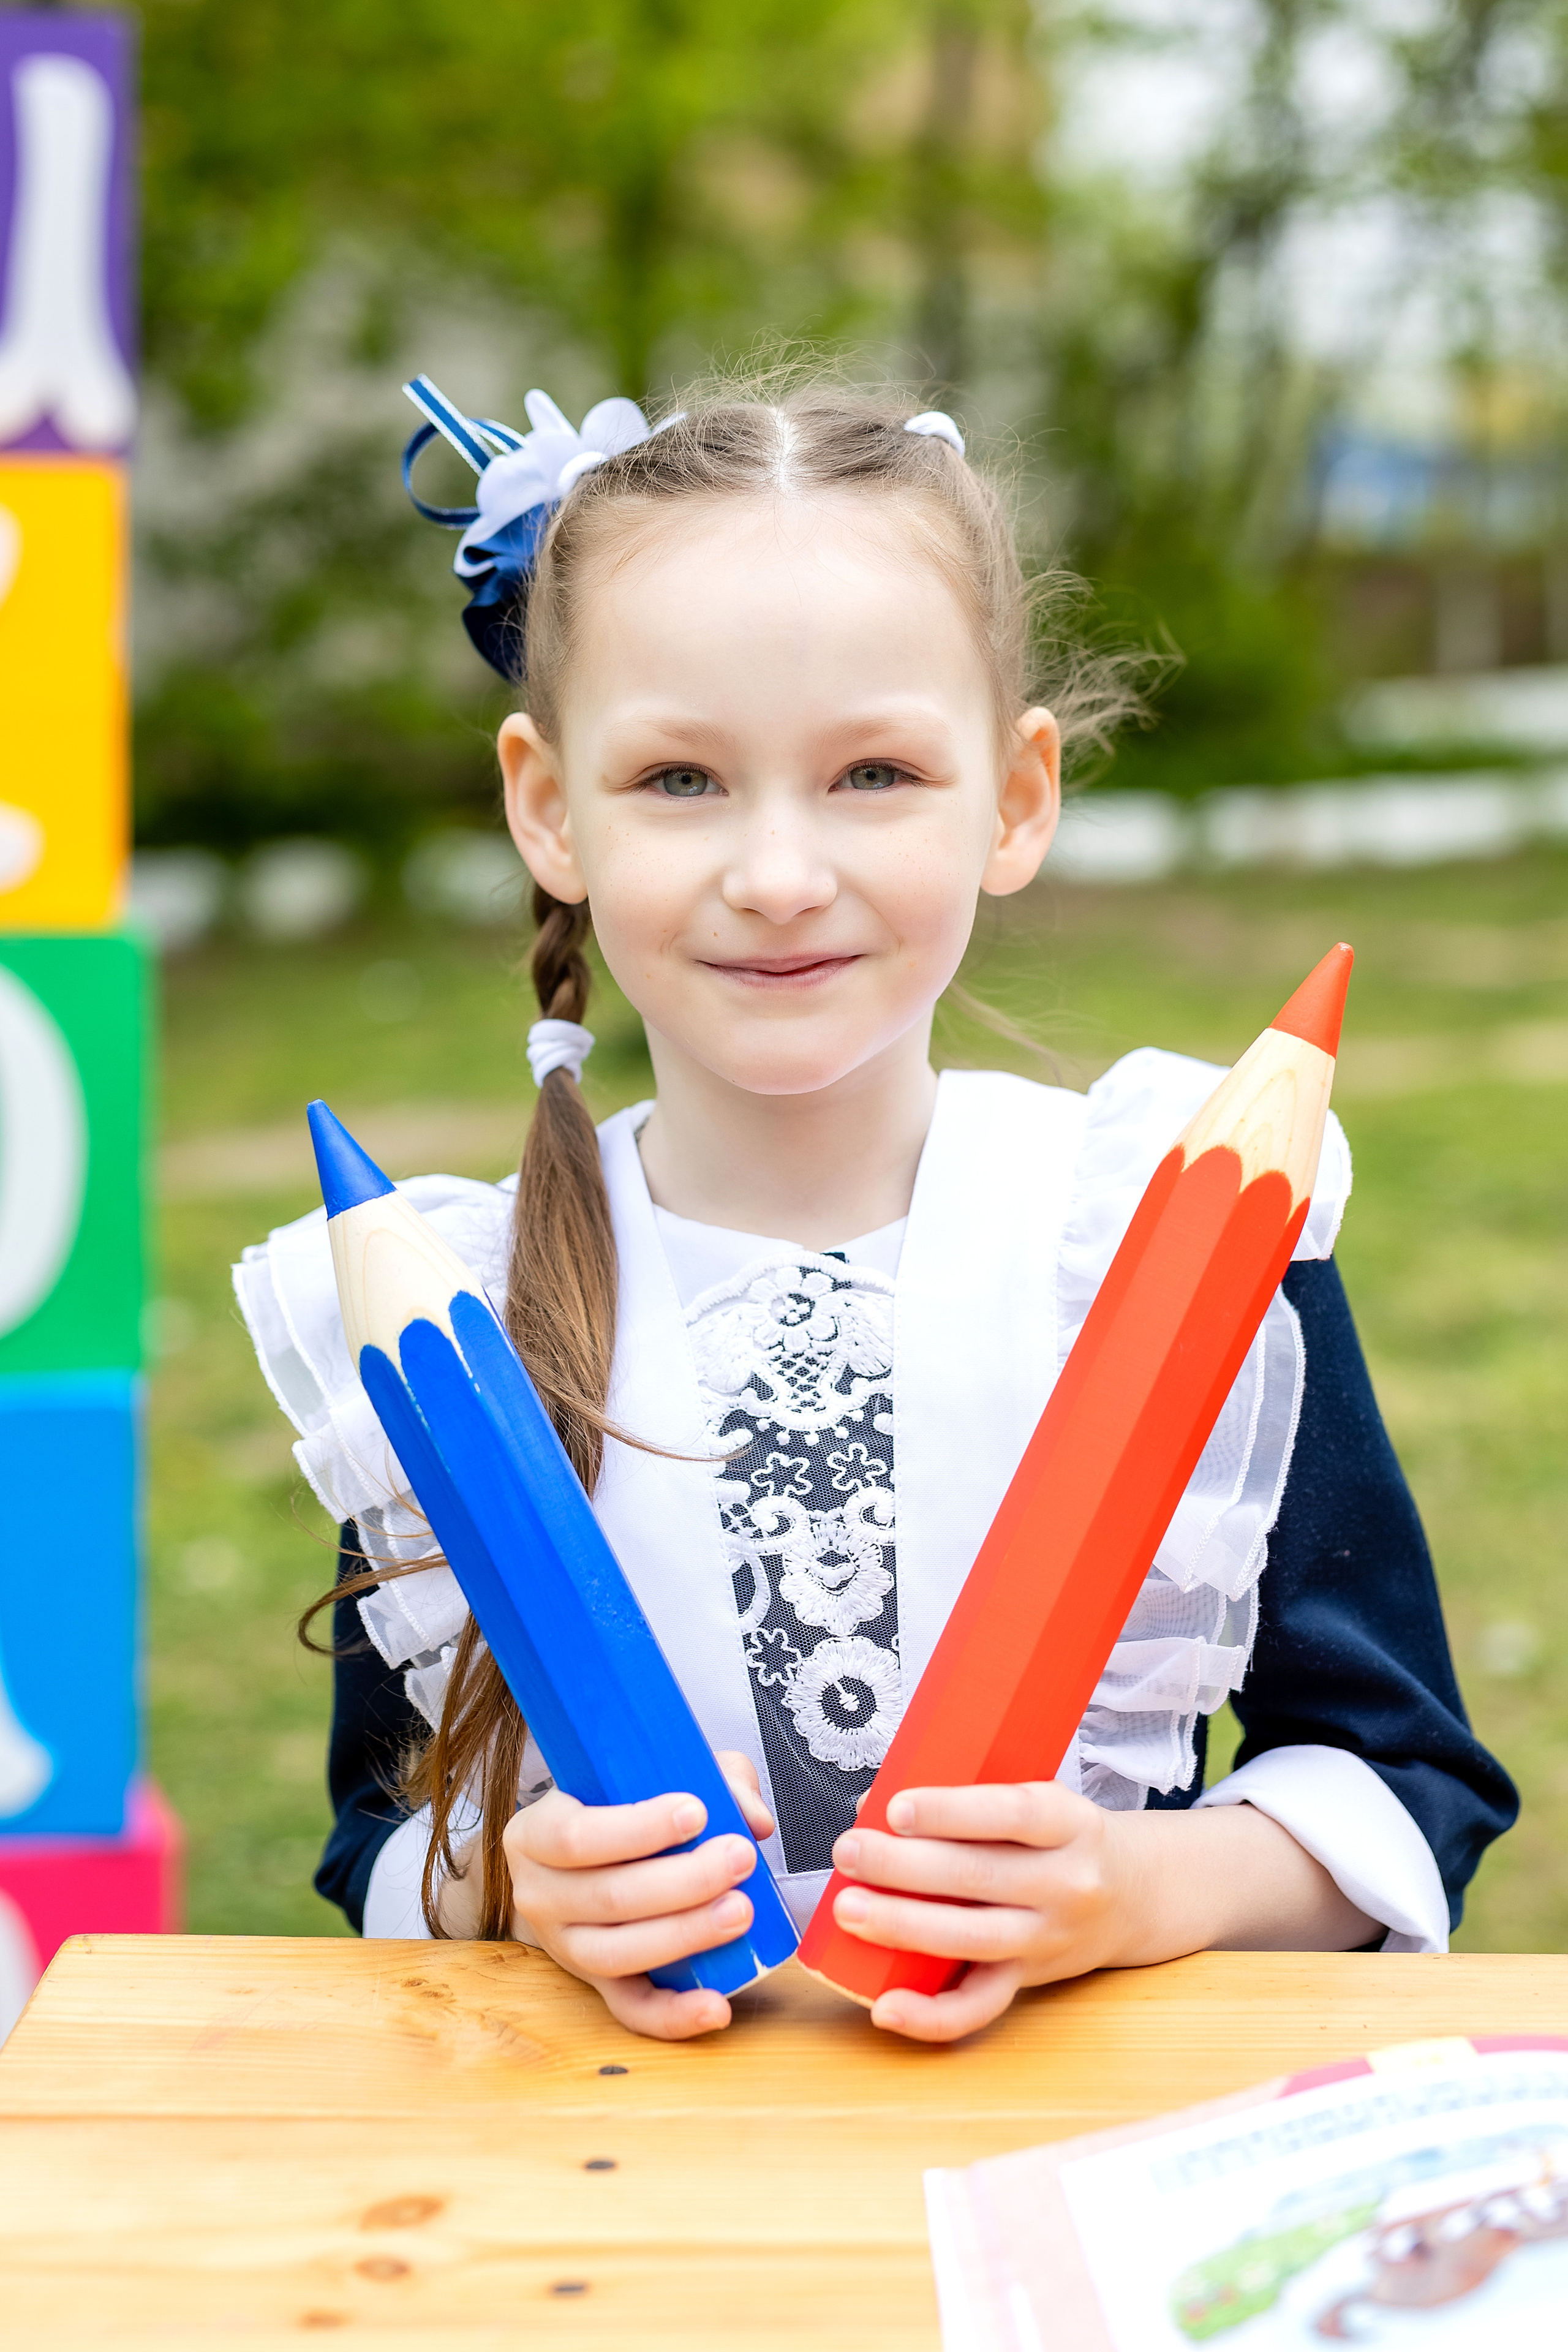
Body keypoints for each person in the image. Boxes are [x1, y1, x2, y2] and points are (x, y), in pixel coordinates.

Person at [235, 372, 1515, 2046]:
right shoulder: (447, 1301)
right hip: (626, 2169)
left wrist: (1138, 1889)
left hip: (1075, 2141)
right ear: (549, 807)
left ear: (1016, 797)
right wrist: (516, 1888)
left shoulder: (1158, 1229)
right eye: (680, 779)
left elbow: (1401, 1781)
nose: (779, 875)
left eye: (875, 773)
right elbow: (378, 1838)